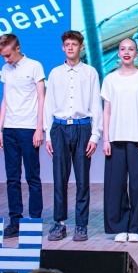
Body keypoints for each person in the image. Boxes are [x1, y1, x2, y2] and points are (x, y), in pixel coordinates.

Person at [43, 31, 102, 242]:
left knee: (82, 179)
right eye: (67, 44)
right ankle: (59, 223)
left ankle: (81, 225)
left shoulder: (90, 72)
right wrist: (48, 135)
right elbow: (48, 104)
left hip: (82, 128)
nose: (70, 47)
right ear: (63, 47)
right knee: (59, 178)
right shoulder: (55, 73)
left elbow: (96, 103)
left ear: (81, 47)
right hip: (59, 128)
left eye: (74, 44)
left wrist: (95, 135)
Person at [101, 38, 138, 242]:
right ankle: (119, 227)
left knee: (137, 185)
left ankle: (135, 227)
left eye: (131, 49)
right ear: (118, 53)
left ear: (136, 54)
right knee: (115, 185)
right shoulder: (110, 79)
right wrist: (105, 139)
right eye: (123, 49)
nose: (127, 52)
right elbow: (106, 112)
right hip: (115, 139)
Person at [0, 34, 45, 239]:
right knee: (12, 178)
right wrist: (0, 128)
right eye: (3, 56)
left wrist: (39, 128)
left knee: (32, 176)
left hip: (28, 128)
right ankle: (15, 221)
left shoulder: (35, 66)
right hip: (9, 128)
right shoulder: (6, 69)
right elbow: (5, 99)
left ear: (17, 48)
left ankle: (35, 220)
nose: (6, 59)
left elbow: (42, 98)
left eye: (8, 55)